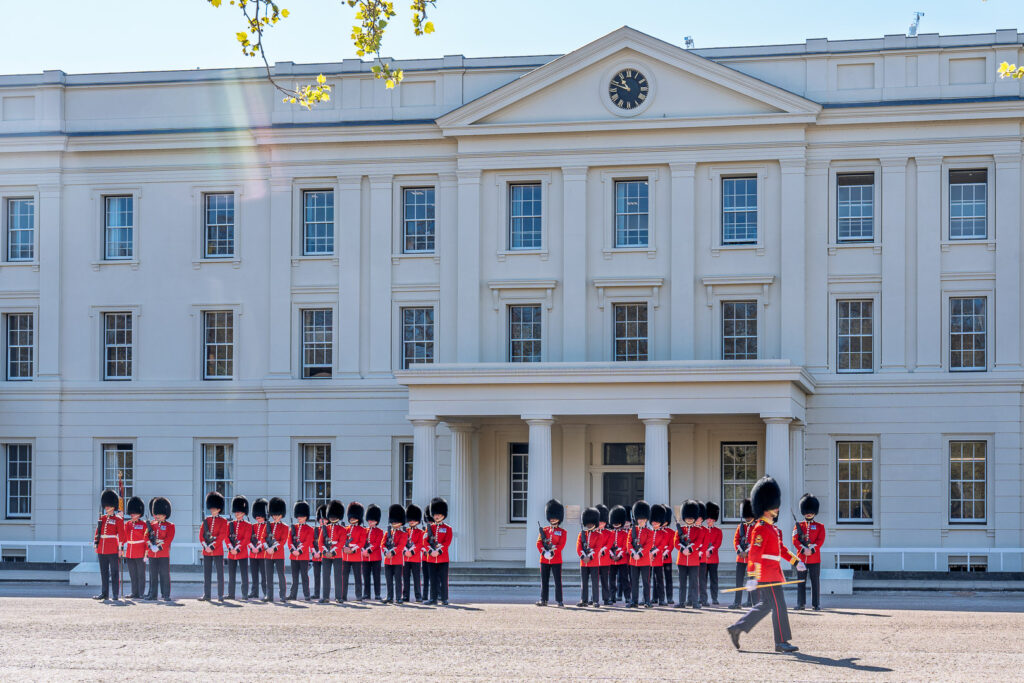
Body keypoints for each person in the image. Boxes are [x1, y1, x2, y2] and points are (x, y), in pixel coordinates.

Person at [727, 476, 804, 654]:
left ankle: (737, 628)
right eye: (774, 504)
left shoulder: (773, 529)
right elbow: (755, 553)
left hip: (774, 573)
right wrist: (753, 576)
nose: (777, 507)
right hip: (767, 575)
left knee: (766, 605)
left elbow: (781, 549)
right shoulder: (760, 528)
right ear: (765, 507)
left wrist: (796, 561)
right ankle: (781, 642)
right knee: (779, 606)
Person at [793, 493, 825, 611]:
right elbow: (795, 540)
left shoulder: (820, 526)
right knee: (801, 582)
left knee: (815, 582)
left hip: (814, 558)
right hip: (801, 558)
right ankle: (800, 603)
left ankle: (816, 604)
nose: (808, 513)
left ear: (814, 511)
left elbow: (820, 540)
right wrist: (803, 549)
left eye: (811, 510)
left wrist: (811, 549)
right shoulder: (798, 526)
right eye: (807, 510)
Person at [92, 488, 124, 602]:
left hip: (112, 548)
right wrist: (96, 544)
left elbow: (121, 535)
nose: (106, 507)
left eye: (107, 505)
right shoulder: (102, 518)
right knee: (103, 572)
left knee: (114, 572)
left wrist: (120, 548)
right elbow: (98, 532)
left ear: (113, 506)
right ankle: (104, 593)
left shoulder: (118, 519)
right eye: (105, 505)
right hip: (102, 548)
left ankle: (115, 594)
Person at [536, 498, 567, 607]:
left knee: (557, 581)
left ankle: (559, 600)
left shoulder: (563, 532)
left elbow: (561, 545)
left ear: (559, 518)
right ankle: (543, 599)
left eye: (555, 518)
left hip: (556, 559)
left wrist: (552, 550)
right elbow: (539, 543)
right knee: (544, 581)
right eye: (551, 517)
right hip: (544, 559)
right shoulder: (544, 530)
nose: (553, 519)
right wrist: (544, 552)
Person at [198, 491, 228, 601]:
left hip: (217, 550)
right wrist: (206, 545)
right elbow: (201, 536)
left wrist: (212, 546)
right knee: (207, 574)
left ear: (219, 509)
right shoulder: (206, 520)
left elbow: (222, 536)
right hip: (206, 550)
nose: (212, 510)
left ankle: (220, 595)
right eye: (211, 508)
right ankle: (207, 595)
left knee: (220, 574)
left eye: (214, 508)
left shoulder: (223, 521)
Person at [144, 496, 174, 601]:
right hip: (152, 553)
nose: (157, 516)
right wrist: (150, 546)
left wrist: (159, 547)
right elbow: (145, 536)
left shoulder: (170, 526)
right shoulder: (151, 524)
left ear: (165, 515)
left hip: (163, 553)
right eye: (156, 514)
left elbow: (168, 539)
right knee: (153, 575)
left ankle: (166, 594)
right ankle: (153, 594)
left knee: (164, 574)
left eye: (160, 515)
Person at [424, 496, 453, 605]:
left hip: (443, 558)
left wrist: (438, 551)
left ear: (443, 515)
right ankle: (433, 598)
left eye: (439, 514)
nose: (436, 516)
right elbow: (425, 541)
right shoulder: (429, 527)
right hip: (431, 558)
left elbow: (447, 542)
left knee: (443, 579)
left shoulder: (448, 528)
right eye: (435, 514)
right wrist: (431, 551)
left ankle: (444, 598)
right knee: (433, 579)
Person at [626, 500, 654, 608]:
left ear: (646, 519)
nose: (641, 521)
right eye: (639, 519)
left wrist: (640, 554)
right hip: (634, 560)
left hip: (644, 560)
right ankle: (634, 601)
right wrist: (633, 554)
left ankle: (647, 601)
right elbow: (628, 543)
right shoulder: (632, 530)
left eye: (643, 519)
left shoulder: (649, 532)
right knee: (634, 582)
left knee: (645, 582)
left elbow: (649, 545)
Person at [675, 499, 703, 609]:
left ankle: (695, 602)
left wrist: (690, 549)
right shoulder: (680, 529)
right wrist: (683, 550)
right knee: (682, 583)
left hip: (693, 560)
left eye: (691, 517)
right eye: (687, 517)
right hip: (682, 559)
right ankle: (681, 602)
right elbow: (676, 542)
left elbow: (698, 542)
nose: (689, 519)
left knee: (694, 583)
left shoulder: (698, 530)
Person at [729, 498, 756, 609]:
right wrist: (740, 551)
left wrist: (748, 552)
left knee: (751, 581)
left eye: (749, 516)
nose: (747, 518)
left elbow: (756, 542)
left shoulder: (756, 527)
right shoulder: (741, 527)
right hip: (740, 558)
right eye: (746, 516)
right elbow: (736, 540)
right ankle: (737, 602)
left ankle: (751, 602)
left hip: (751, 558)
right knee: (738, 582)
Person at [263, 497, 289, 602]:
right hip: (268, 554)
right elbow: (262, 537)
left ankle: (282, 595)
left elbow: (283, 541)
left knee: (280, 575)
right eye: (273, 515)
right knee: (268, 576)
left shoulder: (285, 527)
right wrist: (267, 548)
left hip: (278, 554)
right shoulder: (268, 525)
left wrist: (273, 549)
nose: (275, 517)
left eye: (277, 515)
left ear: (281, 515)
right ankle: (269, 595)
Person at [122, 496, 148, 600]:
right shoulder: (127, 524)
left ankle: (141, 593)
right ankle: (134, 592)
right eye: (131, 513)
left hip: (140, 551)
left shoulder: (144, 524)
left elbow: (146, 539)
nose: (132, 515)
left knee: (141, 574)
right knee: (133, 575)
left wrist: (146, 552)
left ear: (139, 514)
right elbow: (124, 537)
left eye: (135, 513)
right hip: (130, 552)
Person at [288, 500, 315, 601]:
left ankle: (306, 595)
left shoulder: (310, 529)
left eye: (301, 516)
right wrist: (292, 550)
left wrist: (299, 551)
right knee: (294, 577)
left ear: (306, 517)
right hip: (293, 556)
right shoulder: (293, 528)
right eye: (298, 516)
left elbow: (307, 542)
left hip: (303, 556)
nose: (299, 518)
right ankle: (292, 595)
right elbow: (289, 541)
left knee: (304, 576)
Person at [226, 495, 251, 601]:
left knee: (244, 575)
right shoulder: (230, 524)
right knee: (231, 576)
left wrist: (238, 549)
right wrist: (231, 548)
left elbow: (246, 539)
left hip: (242, 553)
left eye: (239, 512)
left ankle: (244, 594)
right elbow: (226, 538)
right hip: (231, 553)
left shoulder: (248, 525)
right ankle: (231, 594)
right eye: (236, 512)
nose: (237, 514)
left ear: (244, 513)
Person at [320, 499, 345, 603]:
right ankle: (326, 596)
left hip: (337, 555)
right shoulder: (325, 528)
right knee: (325, 576)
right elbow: (320, 542)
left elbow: (341, 542)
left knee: (338, 576)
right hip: (326, 555)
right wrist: (326, 551)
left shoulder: (342, 529)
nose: (333, 517)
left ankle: (338, 597)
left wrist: (333, 552)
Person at [576, 506, 602, 607]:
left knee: (595, 582)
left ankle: (595, 600)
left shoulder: (599, 535)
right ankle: (584, 600)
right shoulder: (582, 534)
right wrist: (583, 557)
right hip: (583, 562)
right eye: (588, 523)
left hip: (594, 561)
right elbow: (578, 547)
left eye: (591, 523)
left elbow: (598, 547)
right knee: (584, 582)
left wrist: (589, 557)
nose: (589, 524)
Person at [382, 504, 408, 604]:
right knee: (388, 580)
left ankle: (398, 597)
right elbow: (382, 544)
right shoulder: (387, 533)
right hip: (387, 560)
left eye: (396, 521)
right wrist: (385, 552)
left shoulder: (403, 534)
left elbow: (401, 546)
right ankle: (389, 596)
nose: (394, 523)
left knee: (398, 580)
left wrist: (392, 552)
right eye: (393, 521)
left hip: (397, 560)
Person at [341, 502, 366, 602]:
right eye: (351, 517)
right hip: (345, 556)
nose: (352, 519)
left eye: (354, 517)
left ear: (358, 518)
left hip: (355, 556)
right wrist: (344, 548)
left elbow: (361, 542)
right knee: (344, 578)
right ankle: (343, 595)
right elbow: (341, 540)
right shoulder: (345, 529)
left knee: (357, 578)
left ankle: (359, 595)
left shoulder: (362, 530)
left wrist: (352, 550)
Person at [607, 505, 629, 604]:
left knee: (624, 579)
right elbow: (607, 545)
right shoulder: (610, 533)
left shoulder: (625, 534)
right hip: (611, 560)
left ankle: (627, 597)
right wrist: (612, 555)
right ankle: (612, 597)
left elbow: (625, 546)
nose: (616, 524)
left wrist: (619, 555)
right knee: (611, 580)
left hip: (622, 559)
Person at [702, 502, 723, 606]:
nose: (709, 520)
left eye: (711, 519)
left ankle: (714, 598)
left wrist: (709, 551)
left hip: (713, 558)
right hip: (704, 559)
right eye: (708, 518)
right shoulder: (702, 530)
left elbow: (717, 544)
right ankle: (703, 598)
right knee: (703, 580)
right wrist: (704, 551)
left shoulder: (718, 531)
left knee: (714, 580)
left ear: (714, 520)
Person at [403, 503, 424, 603]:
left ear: (418, 521)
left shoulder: (420, 532)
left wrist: (411, 551)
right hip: (405, 558)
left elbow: (420, 544)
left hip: (415, 558)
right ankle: (405, 596)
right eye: (410, 520)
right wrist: (405, 551)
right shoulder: (405, 531)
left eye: (413, 520)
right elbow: (401, 542)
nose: (411, 522)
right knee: (406, 579)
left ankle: (418, 596)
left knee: (416, 579)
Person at [363, 503, 385, 601]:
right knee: (366, 577)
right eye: (369, 520)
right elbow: (362, 541)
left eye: (372, 520)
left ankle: (377, 594)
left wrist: (368, 550)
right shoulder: (365, 530)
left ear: (376, 521)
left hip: (375, 557)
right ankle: (366, 594)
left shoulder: (380, 531)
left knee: (376, 577)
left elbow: (377, 543)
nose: (370, 522)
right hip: (365, 557)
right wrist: (363, 551)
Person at [248, 498, 269, 600]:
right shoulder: (253, 526)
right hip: (253, 554)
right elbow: (249, 539)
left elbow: (266, 540)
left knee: (264, 576)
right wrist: (252, 548)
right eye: (257, 516)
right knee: (254, 575)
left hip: (262, 554)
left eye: (260, 516)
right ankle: (254, 592)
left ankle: (266, 593)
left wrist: (259, 548)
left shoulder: (267, 526)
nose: (258, 518)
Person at [655, 504, 675, 605]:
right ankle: (655, 597)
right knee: (656, 579)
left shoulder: (671, 532)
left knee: (668, 579)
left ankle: (669, 597)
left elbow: (671, 545)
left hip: (666, 558)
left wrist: (665, 553)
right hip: (656, 558)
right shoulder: (655, 531)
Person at [595, 504, 613, 605]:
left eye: (602, 522)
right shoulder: (593, 532)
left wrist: (602, 550)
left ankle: (606, 598)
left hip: (605, 560)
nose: (601, 524)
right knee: (595, 582)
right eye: (599, 522)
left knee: (605, 581)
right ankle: (594, 598)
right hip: (595, 561)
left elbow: (609, 544)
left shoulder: (609, 533)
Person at [648, 504, 666, 605]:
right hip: (648, 559)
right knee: (648, 580)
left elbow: (662, 545)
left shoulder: (663, 533)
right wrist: (649, 552)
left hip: (658, 558)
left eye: (657, 521)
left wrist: (653, 552)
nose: (655, 523)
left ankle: (661, 599)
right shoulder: (649, 532)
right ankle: (649, 598)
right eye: (654, 521)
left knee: (659, 580)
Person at [311, 503, 327, 600]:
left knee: (325, 576)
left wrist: (320, 553)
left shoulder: (329, 530)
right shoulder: (315, 529)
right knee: (316, 576)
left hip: (325, 555)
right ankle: (316, 593)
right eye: (321, 519)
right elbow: (311, 543)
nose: (322, 521)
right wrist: (314, 553)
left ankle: (325, 594)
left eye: (324, 519)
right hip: (315, 556)